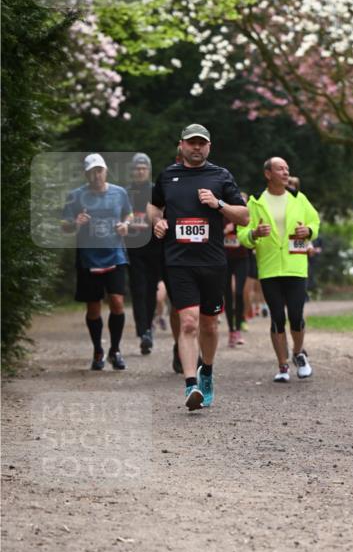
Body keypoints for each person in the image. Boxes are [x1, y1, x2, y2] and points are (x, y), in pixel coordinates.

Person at [148, 124, 249, 410]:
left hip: (213, 262)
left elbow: (244, 216)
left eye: (201, 143)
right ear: (181, 145)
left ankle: (207, 370)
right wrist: (158, 222)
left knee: (209, 324)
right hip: (179, 261)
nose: (196, 147)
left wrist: (218, 204)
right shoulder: (168, 176)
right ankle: (191, 384)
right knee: (189, 321)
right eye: (191, 143)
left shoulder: (221, 176)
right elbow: (154, 206)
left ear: (209, 147)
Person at [237, 157, 320, 382]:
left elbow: (315, 222)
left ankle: (298, 354)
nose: (285, 172)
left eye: (287, 169)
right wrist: (254, 234)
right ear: (268, 174)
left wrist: (309, 232)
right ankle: (282, 365)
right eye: (280, 169)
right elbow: (242, 234)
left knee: (296, 315)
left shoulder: (299, 199)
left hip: (296, 266)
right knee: (276, 317)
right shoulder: (255, 203)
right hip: (270, 267)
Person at [61, 153, 132, 370]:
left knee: (117, 303)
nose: (96, 175)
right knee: (94, 308)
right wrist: (75, 222)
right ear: (86, 174)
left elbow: (127, 214)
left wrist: (125, 225)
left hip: (115, 254)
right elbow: (64, 225)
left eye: (99, 170)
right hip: (88, 257)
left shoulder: (119, 193)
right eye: (92, 171)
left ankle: (115, 350)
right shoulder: (76, 196)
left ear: (105, 170)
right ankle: (98, 351)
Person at [125, 152, 161, 355]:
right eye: (137, 168)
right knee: (138, 289)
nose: (140, 171)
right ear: (132, 171)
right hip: (133, 248)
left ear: (148, 170)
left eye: (143, 168)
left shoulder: (156, 191)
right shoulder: (125, 192)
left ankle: (148, 327)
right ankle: (144, 332)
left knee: (151, 289)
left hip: (154, 248)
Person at [223, 198, 250, 347]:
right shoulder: (223, 215)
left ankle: (238, 328)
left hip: (241, 259)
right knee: (227, 294)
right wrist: (225, 231)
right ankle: (231, 330)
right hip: (225, 259)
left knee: (239, 293)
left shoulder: (245, 218)